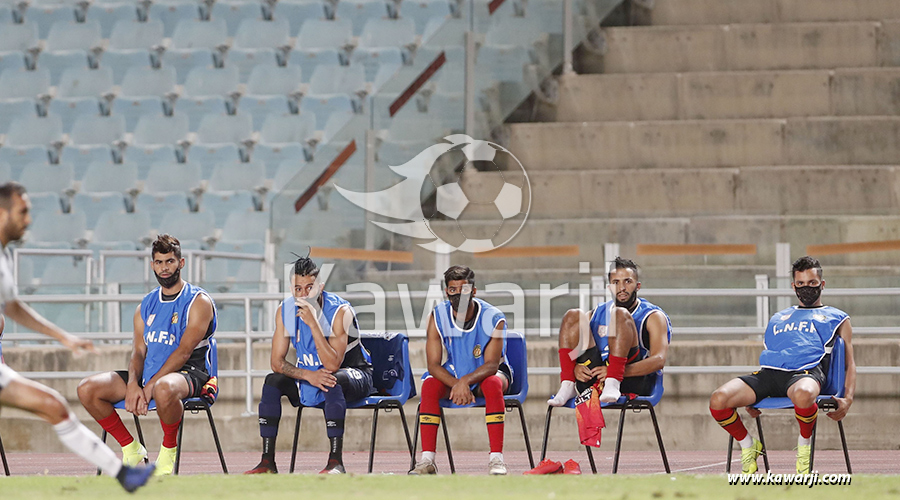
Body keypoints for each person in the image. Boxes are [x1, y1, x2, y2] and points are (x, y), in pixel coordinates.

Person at [0, 182, 154, 491]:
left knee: (54, 406)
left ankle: (125, 475)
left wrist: (63, 337)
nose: (28, 220)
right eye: (23, 211)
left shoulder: (4, 257)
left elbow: (13, 307)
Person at [78, 234, 217, 477]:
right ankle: (131, 448)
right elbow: (139, 351)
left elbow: (183, 352)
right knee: (87, 388)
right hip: (150, 377)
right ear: (152, 265)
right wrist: (133, 383)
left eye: (170, 261)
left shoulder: (198, 301)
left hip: (189, 374)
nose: (165, 268)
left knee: (164, 388)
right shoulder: (146, 304)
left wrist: (151, 385)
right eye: (159, 262)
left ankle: (168, 450)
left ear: (181, 263)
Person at [709, 256, 856, 475]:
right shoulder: (779, 317)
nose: (807, 288)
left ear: (822, 284)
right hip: (769, 375)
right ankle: (749, 445)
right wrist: (753, 397)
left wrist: (848, 398)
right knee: (718, 399)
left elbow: (850, 363)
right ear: (793, 286)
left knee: (804, 394)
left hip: (806, 373)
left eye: (812, 283)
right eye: (801, 284)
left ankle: (804, 448)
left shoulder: (838, 318)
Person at [244, 256, 373, 474]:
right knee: (273, 381)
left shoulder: (341, 312)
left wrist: (314, 323)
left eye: (309, 288)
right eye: (298, 289)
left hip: (354, 374)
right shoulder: (285, 310)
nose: (303, 295)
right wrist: (307, 375)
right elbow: (276, 362)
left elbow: (332, 364)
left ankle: (335, 462)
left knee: (332, 379)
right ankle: (267, 462)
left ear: (320, 287)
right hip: (311, 377)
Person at [409, 265, 511, 476]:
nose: (457, 295)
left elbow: (492, 364)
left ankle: (496, 459)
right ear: (447, 292)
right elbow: (433, 365)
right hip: (457, 374)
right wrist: (459, 383)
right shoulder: (437, 316)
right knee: (429, 385)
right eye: (452, 290)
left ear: (473, 291)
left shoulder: (493, 317)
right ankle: (427, 460)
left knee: (492, 384)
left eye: (463, 290)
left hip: (490, 373)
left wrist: (464, 381)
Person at [547, 257, 671, 407]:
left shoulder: (653, 316)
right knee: (572, 316)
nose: (622, 288)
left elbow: (659, 360)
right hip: (597, 376)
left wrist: (615, 372)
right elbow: (571, 344)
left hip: (630, 380)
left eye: (628, 281)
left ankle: (613, 380)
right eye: (616, 282)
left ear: (638, 286)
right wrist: (575, 368)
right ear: (609, 287)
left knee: (620, 315)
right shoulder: (598, 312)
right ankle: (568, 384)